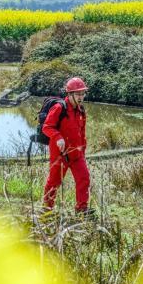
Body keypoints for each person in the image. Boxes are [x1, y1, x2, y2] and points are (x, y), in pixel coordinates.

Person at [42, 77, 93, 216]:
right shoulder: (59, 108)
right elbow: (46, 127)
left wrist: (83, 149)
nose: (81, 97)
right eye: (78, 94)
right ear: (69, 94)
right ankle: (47, 209)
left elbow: (82, 133)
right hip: (60, 154)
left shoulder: (81, 110)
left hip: (77, 154)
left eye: (83, 94)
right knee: (54, 182)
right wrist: (58, 137)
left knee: (84, 178)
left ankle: (82, 210)